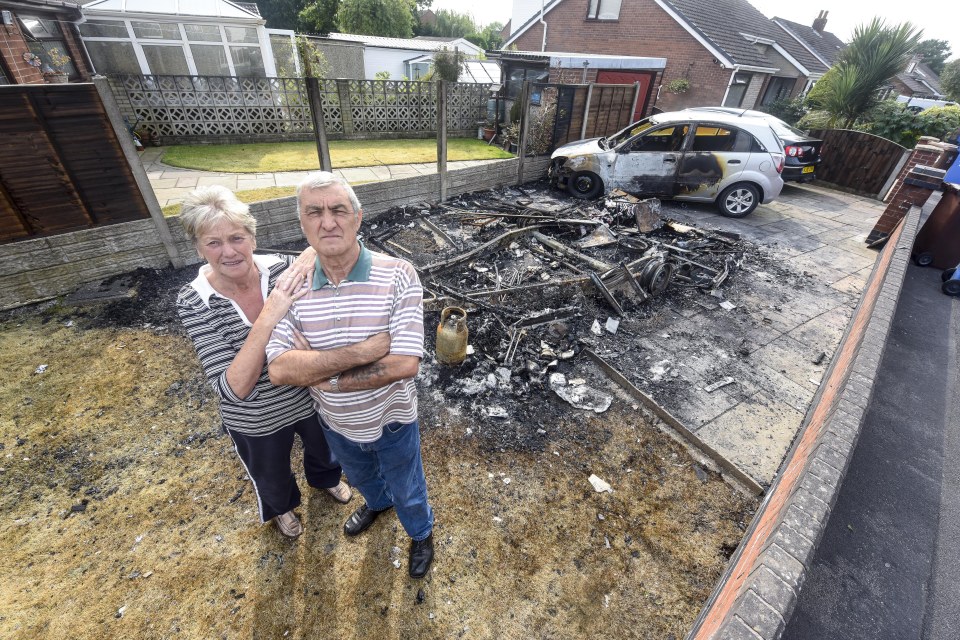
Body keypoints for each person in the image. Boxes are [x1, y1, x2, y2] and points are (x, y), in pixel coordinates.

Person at [176, 185, 390, 538]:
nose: (229, 252)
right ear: (198, 247)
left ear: (253, 238)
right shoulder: (194, 301)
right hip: (255, 417)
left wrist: (307, 253)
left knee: (325, 451)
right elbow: (235, 388)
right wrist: (271, 314)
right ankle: (282, 508)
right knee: (270, 472)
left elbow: (328, 243)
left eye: (237, 238)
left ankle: (326, 480)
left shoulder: (284, 270)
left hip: (309, 398)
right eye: (213, 243)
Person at [266, 172, 435, 579]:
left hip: (393, 420)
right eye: (315, 213)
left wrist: (327, 377)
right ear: (302, 224)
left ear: (357, 218)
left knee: (408, 485)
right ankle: (377, 504)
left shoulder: (398, 274)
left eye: (338, 210)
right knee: (360, 476)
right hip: (337, 424)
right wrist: (360, 353)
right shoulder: (291, 286)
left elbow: (403, 364)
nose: (328, 222)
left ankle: (421, 532)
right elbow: (280, 368)